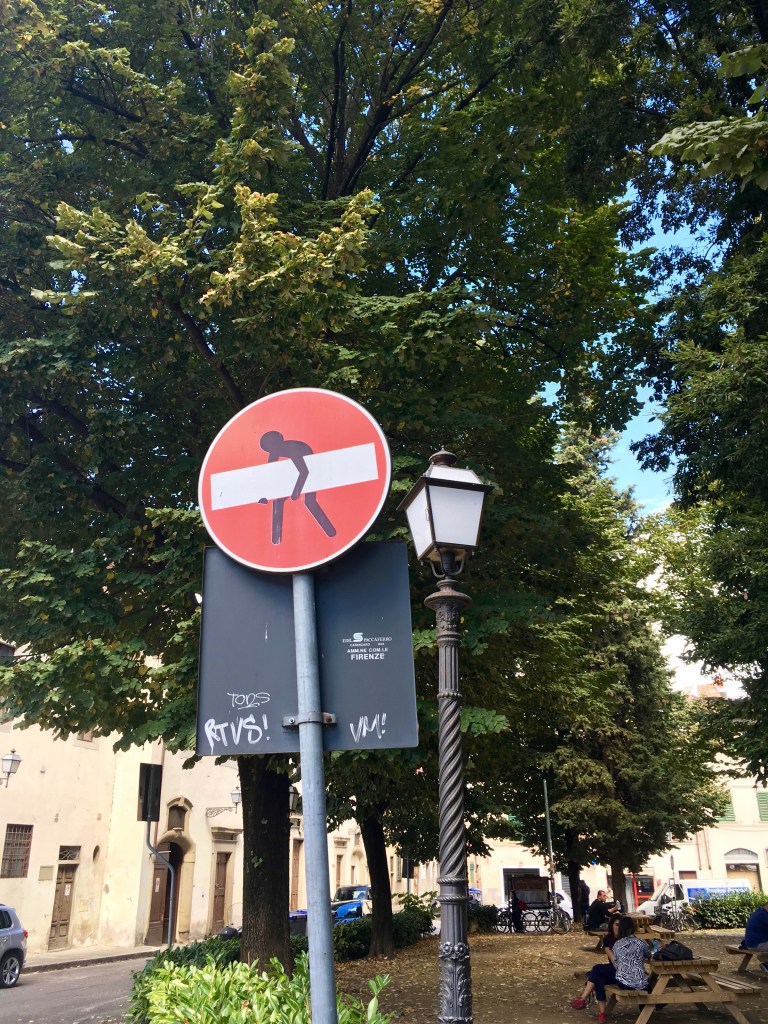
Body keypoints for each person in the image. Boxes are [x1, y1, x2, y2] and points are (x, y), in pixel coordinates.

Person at [572, 916, 650, 1023]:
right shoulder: (614, 940)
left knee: (597, 970)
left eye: (620, 925)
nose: (618, 928)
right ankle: (601, 1013)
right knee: (599, 977)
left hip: (621, 975)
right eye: (616, 925)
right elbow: (647, 955)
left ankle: (583, 998)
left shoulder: (619, 944)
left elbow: (617, 963)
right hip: (626, 974)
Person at [741, 900, 768, 974]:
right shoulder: (764, 916)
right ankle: (766, 965)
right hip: (757, 945)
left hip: (751, 944)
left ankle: (766, 963)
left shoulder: (758, 912)